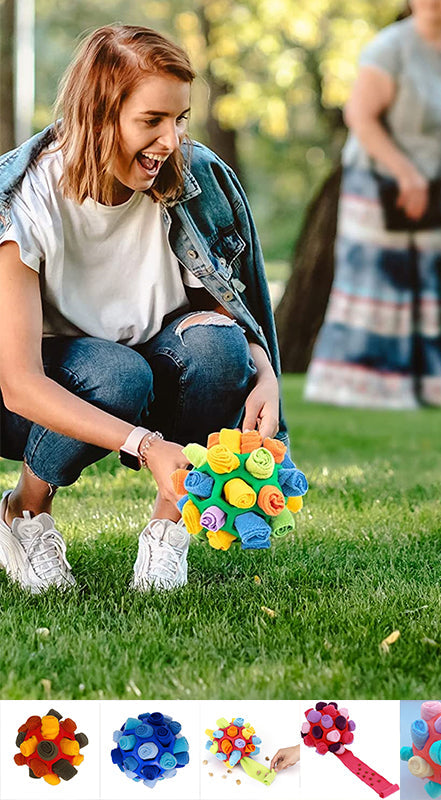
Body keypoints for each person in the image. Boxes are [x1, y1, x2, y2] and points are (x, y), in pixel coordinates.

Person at [0, 25, 287, 593]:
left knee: (218, 347)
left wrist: (264, 371)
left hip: (158, 364)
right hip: (48, 392)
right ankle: (24, 513)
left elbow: (225, 307)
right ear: (99, 115)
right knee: (117, 372)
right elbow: (17, 382)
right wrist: (146, 445)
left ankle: (172, 519)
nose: (171, 141)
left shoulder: (189, 179)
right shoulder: (25, 201)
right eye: (151, 121)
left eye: (180, 120)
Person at [304, 0, 441, 410]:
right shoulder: (390, 48)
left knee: (438, 289)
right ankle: (367, 394)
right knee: (381, 289)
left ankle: (436, 391)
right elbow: (360, 116)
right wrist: (405, 172)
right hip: (380, 185)